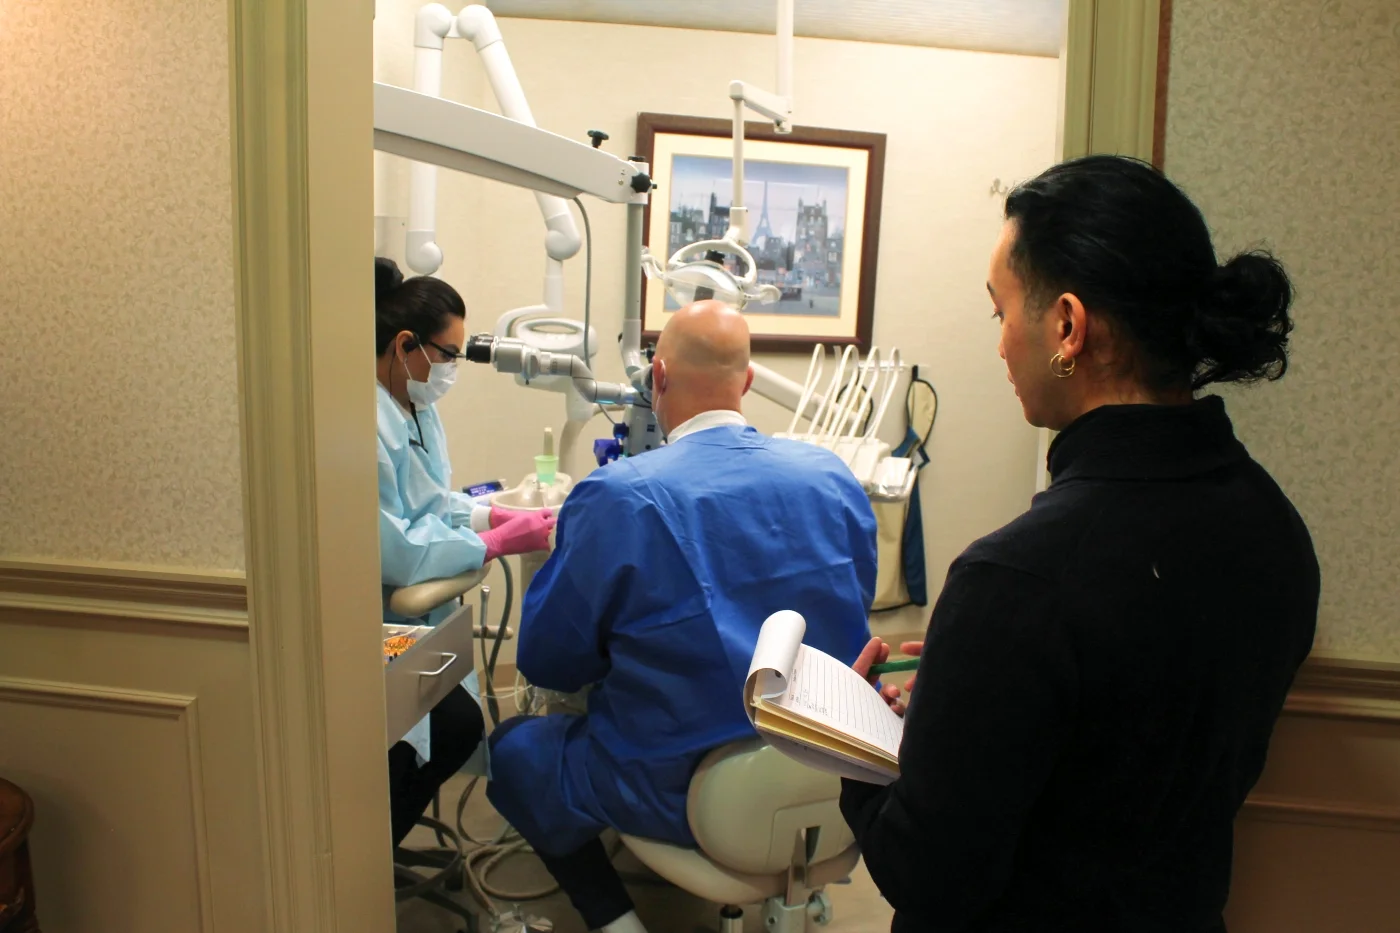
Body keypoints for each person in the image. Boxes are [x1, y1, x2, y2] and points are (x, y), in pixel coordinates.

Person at [841, 156, 1319, 933]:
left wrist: (861, 749)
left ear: (1066, 326)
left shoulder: (1018, 579)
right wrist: (973, 686)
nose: (999, 345)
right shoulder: (1272, 525)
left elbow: (926, 873)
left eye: (1000, 312)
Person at [486, 301, 879, 933]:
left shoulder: (616, 497)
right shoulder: (832, 477)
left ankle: (614, 920)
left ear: (657, 377)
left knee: (516, 751)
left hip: (671, 791)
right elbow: (852, 612)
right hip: (827, 773)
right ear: (747, 383)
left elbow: (548, 662)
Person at [374, 257, 556, 848]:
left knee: (450, 723)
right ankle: (361, 862)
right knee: (447, 727)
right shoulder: (360, 420)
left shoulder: (414, 407)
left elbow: (430, 501)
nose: (454, 368)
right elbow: (396, 545)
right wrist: (495, 542)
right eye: (448, 354)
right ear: (406, 345)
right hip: (376, 618)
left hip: (416, 622)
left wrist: (493, 515)